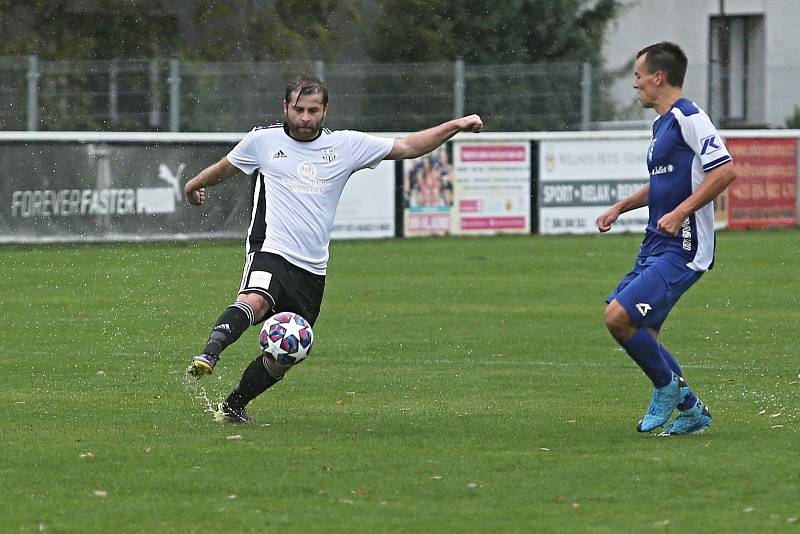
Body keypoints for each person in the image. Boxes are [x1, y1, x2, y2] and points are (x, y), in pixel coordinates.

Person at [184, 74, 483, 423]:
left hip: (312, 270)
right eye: (298, 110)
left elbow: (408, 146)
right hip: (271, 249)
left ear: (326, 110)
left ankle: (233, 406)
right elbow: (225, 169)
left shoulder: (346, 146)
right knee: (255, 299)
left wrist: (457, 124)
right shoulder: (262, 141)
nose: (305, 118)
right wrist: (193, 185)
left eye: (313, 110)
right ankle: (209, 354)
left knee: (289, 351)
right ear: (286, 107)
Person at [596, 42, 737, 436]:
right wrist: (621, 206)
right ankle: (691, 409)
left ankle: (667, 390)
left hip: (685, 246)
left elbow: (724, 171)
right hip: (657, 242)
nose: (635, 84)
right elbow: (662, 184)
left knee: (619, 318)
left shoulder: (690, 117)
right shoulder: (661, 125)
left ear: (659, 77)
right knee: (644, 336)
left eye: (639, 76)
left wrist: (680, 212)